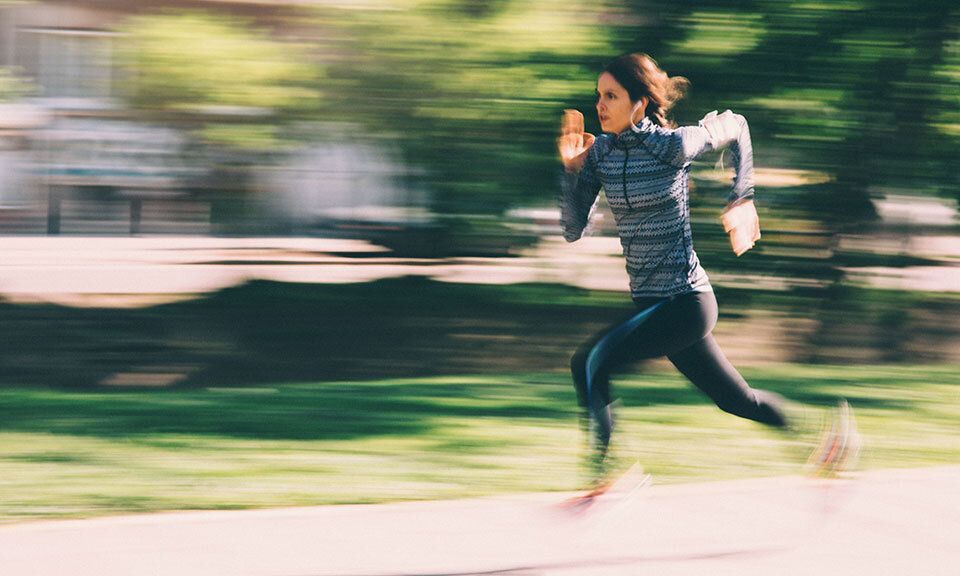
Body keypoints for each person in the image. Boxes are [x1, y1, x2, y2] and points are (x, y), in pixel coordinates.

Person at [556, 53, 858, 489]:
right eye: (597, 96)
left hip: (685, 302)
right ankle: (825, 441)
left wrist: (742, 196)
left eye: (611, 96)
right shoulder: (600, 154)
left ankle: (607, 476)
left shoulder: (673, 146)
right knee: (738, 402)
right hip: (654, 306)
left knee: (590, 362)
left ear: (639, 103)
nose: (599, 105)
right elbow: (571, 229)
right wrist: (571, 172)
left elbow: (736, 125)